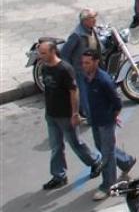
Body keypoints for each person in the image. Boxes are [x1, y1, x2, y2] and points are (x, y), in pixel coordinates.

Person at [38, 39, 101, 191]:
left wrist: (74, 113)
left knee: (76, 143)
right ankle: (59, 175)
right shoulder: (44, 67)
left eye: (43, 53)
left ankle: (95, 162)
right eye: (39, 53)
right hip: (51, 114)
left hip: (65, 115)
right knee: (56, 146)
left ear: (53, 52)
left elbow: (74, 92)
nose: (40, 56)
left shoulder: (64, 69)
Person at [79, 49, 137, 200]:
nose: (84, 66)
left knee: (106, 153)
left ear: (96, 62)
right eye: (83, 63)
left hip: (106, 121)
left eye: (87, 62)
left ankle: (108, 185)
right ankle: (126, 161)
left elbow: (117, 102)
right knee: (102, 147)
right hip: (95, 121)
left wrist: (113, 116)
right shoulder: (86, 78)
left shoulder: (103, 80)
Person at [61, 9, 100, 119]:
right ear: (85, 20)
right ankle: (90, 117)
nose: (95, 20)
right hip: (80, 71)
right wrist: (70, 72)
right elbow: (64, 54)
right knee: (84, 95)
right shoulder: (77, 35)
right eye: (92, 18)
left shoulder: (91, 30)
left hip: (91, 68)